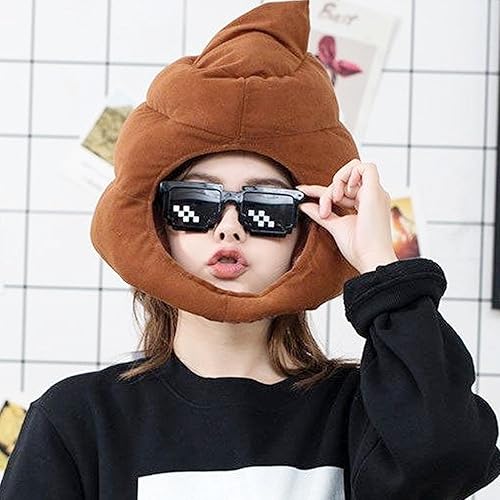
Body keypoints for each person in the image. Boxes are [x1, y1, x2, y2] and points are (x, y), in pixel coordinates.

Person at [1, 1, 500, 499]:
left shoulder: (365, 414)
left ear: (305, 231)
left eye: (266, 207)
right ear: (158, 223)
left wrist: (378, 265)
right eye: (195, 204)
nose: (229, 228)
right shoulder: (79, 422)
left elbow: (451, 457)